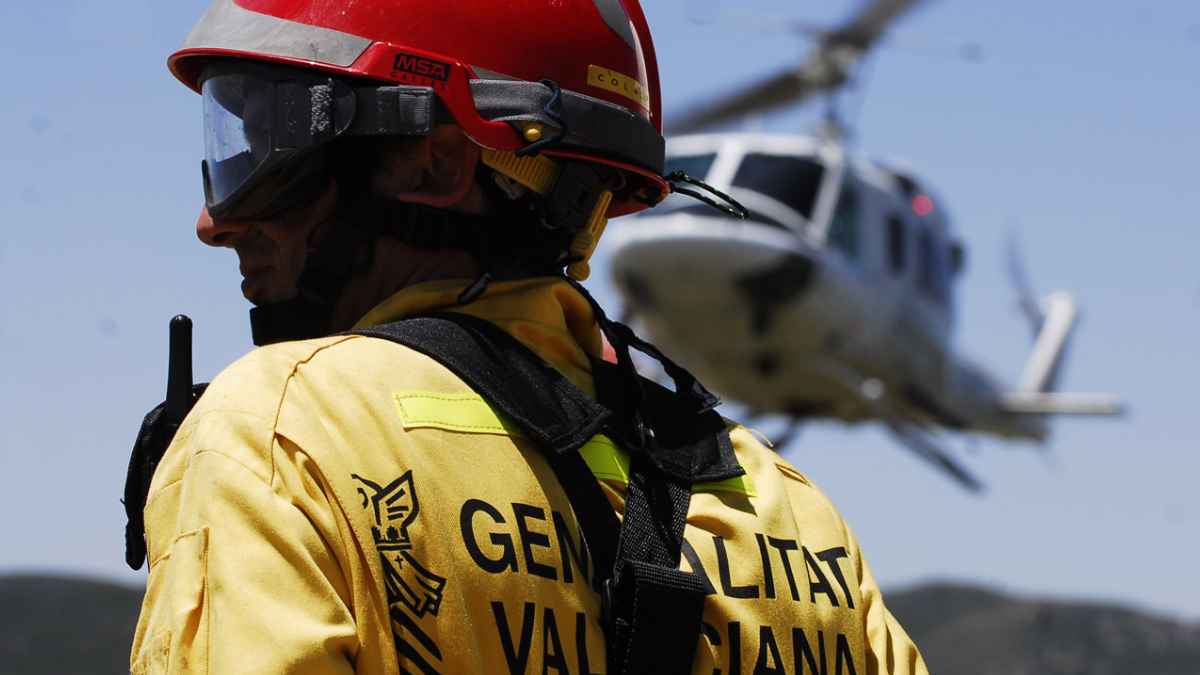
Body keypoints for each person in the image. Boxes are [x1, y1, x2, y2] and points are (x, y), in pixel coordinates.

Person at [126, 1, 929, 673]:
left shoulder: (282, 434)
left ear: (435, 164)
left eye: (269, 143)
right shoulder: (788, 506)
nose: (214, 221)